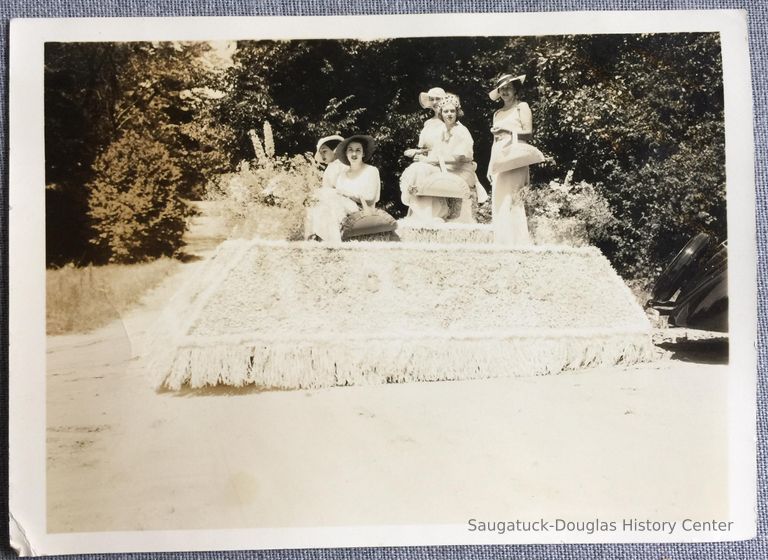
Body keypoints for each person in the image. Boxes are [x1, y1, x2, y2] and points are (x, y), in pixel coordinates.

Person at [305, 134, 381, 243]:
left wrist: (345, 193)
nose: (354, 154)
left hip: (362, 210)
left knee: (328, 198)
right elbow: (336, 194)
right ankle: (315, 239)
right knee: (319, 199)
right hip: (342, 209)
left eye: (358, 150)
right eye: (350, 150)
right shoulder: (343, 174)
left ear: (363, 153)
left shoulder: (371, 171)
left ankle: (332, 242)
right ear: (346, 153)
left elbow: (370, 198)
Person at [487, 73, 533, 246]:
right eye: (502, 88)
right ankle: (502, 241)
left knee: (513, 197)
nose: (505, 91)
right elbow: (494, 141)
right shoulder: (497, 113)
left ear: (515, 89)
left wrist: (507, 131)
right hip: (499, 155)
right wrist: (490, 166)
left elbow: (528, 133)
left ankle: (518, 242)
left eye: (508, 88)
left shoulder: (522, 107)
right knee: (499, 197)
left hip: (516, 155)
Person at [400, 87, 451, 222]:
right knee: (417, 168)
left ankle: (429, 215)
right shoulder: (428, 123)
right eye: (432, 99)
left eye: (438, 99)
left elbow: (448, 149)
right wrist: (416, 152)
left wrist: (426, 159)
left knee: (419, 169)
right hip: (427, 161)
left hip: (443, 163)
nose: (435, 102)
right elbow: (426, 148)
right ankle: (418, 214)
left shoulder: (449, 121)